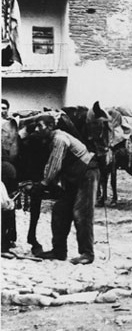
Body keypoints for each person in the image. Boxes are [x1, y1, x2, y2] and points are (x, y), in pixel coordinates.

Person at [25, 113, 99, 264]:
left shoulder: (59, 138)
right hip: (74, 179)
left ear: (51, 127)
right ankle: (59, 251)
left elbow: (55, 165)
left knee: (81, 213)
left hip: (87, 174)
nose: (37, 129)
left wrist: (43, 184)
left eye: (40, 126)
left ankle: (87, 253)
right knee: (60, 210)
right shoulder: (51, 140)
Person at [1, 99, 18, 255]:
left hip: (9, 171)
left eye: (5, 108)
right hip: (3, 171)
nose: (2, 110)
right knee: (4, 205)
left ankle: (10, 238)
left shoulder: (12, 126)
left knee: (9, 204)